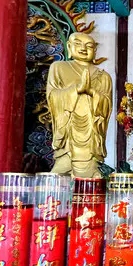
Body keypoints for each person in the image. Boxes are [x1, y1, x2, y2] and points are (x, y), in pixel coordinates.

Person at [47, 33, 112, 178]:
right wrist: (76, 89)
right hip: (68, 131)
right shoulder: (58, 68)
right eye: (78, 44)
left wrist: (91, 92)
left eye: (89, 46)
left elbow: (107, 106)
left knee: (93, 174)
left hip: (91, 133)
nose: (83, 48)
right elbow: (52, 96)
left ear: (95, 51)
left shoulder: (103, 76)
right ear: (69, 47)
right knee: (60, 174)